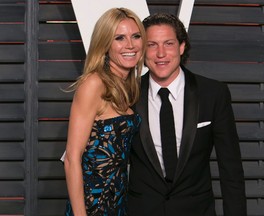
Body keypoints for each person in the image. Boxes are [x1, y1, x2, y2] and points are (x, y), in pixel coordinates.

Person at [127, 13, 247, 216]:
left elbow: (231, 169)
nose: (161, 53)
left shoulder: (213, 93)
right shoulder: (126, 95)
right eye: (152, 45)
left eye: (169, 44)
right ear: (142, 51)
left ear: (182, 47)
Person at [62, 7, 146, 216]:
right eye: (119, 38)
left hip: (117, 203)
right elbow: (72, 157)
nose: (130, 45)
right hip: (92, 205)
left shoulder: (129, 87)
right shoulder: (94, 83)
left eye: (136, 36)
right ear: (105, 44)